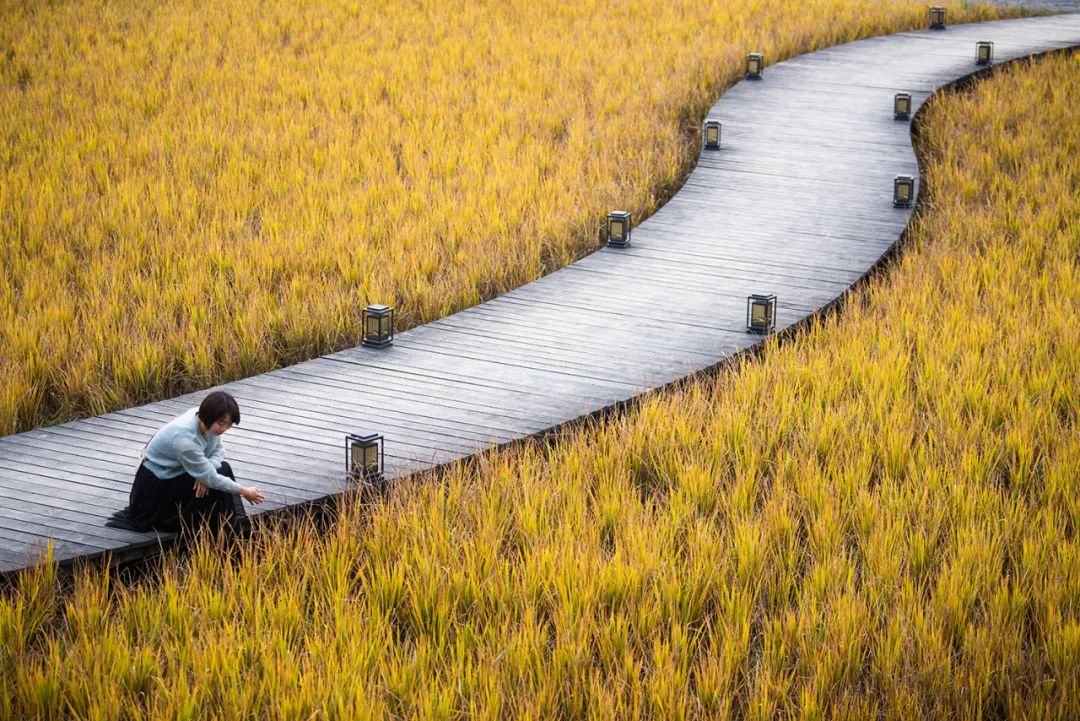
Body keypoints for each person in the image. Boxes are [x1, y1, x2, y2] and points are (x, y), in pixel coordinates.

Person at [107, 391, 264, 534]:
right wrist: (244, 491)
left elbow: (219, 450)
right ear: (209, 416)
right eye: (221, 423)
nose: (223, 428)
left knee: (221, 469)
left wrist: (205, 473)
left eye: (228, 425)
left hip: (178, 472)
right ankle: (224, 530)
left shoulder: (205, 420)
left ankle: (226, 527)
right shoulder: (185, 438)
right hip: (157, 486)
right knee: (217, 477)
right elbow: (210, 476)